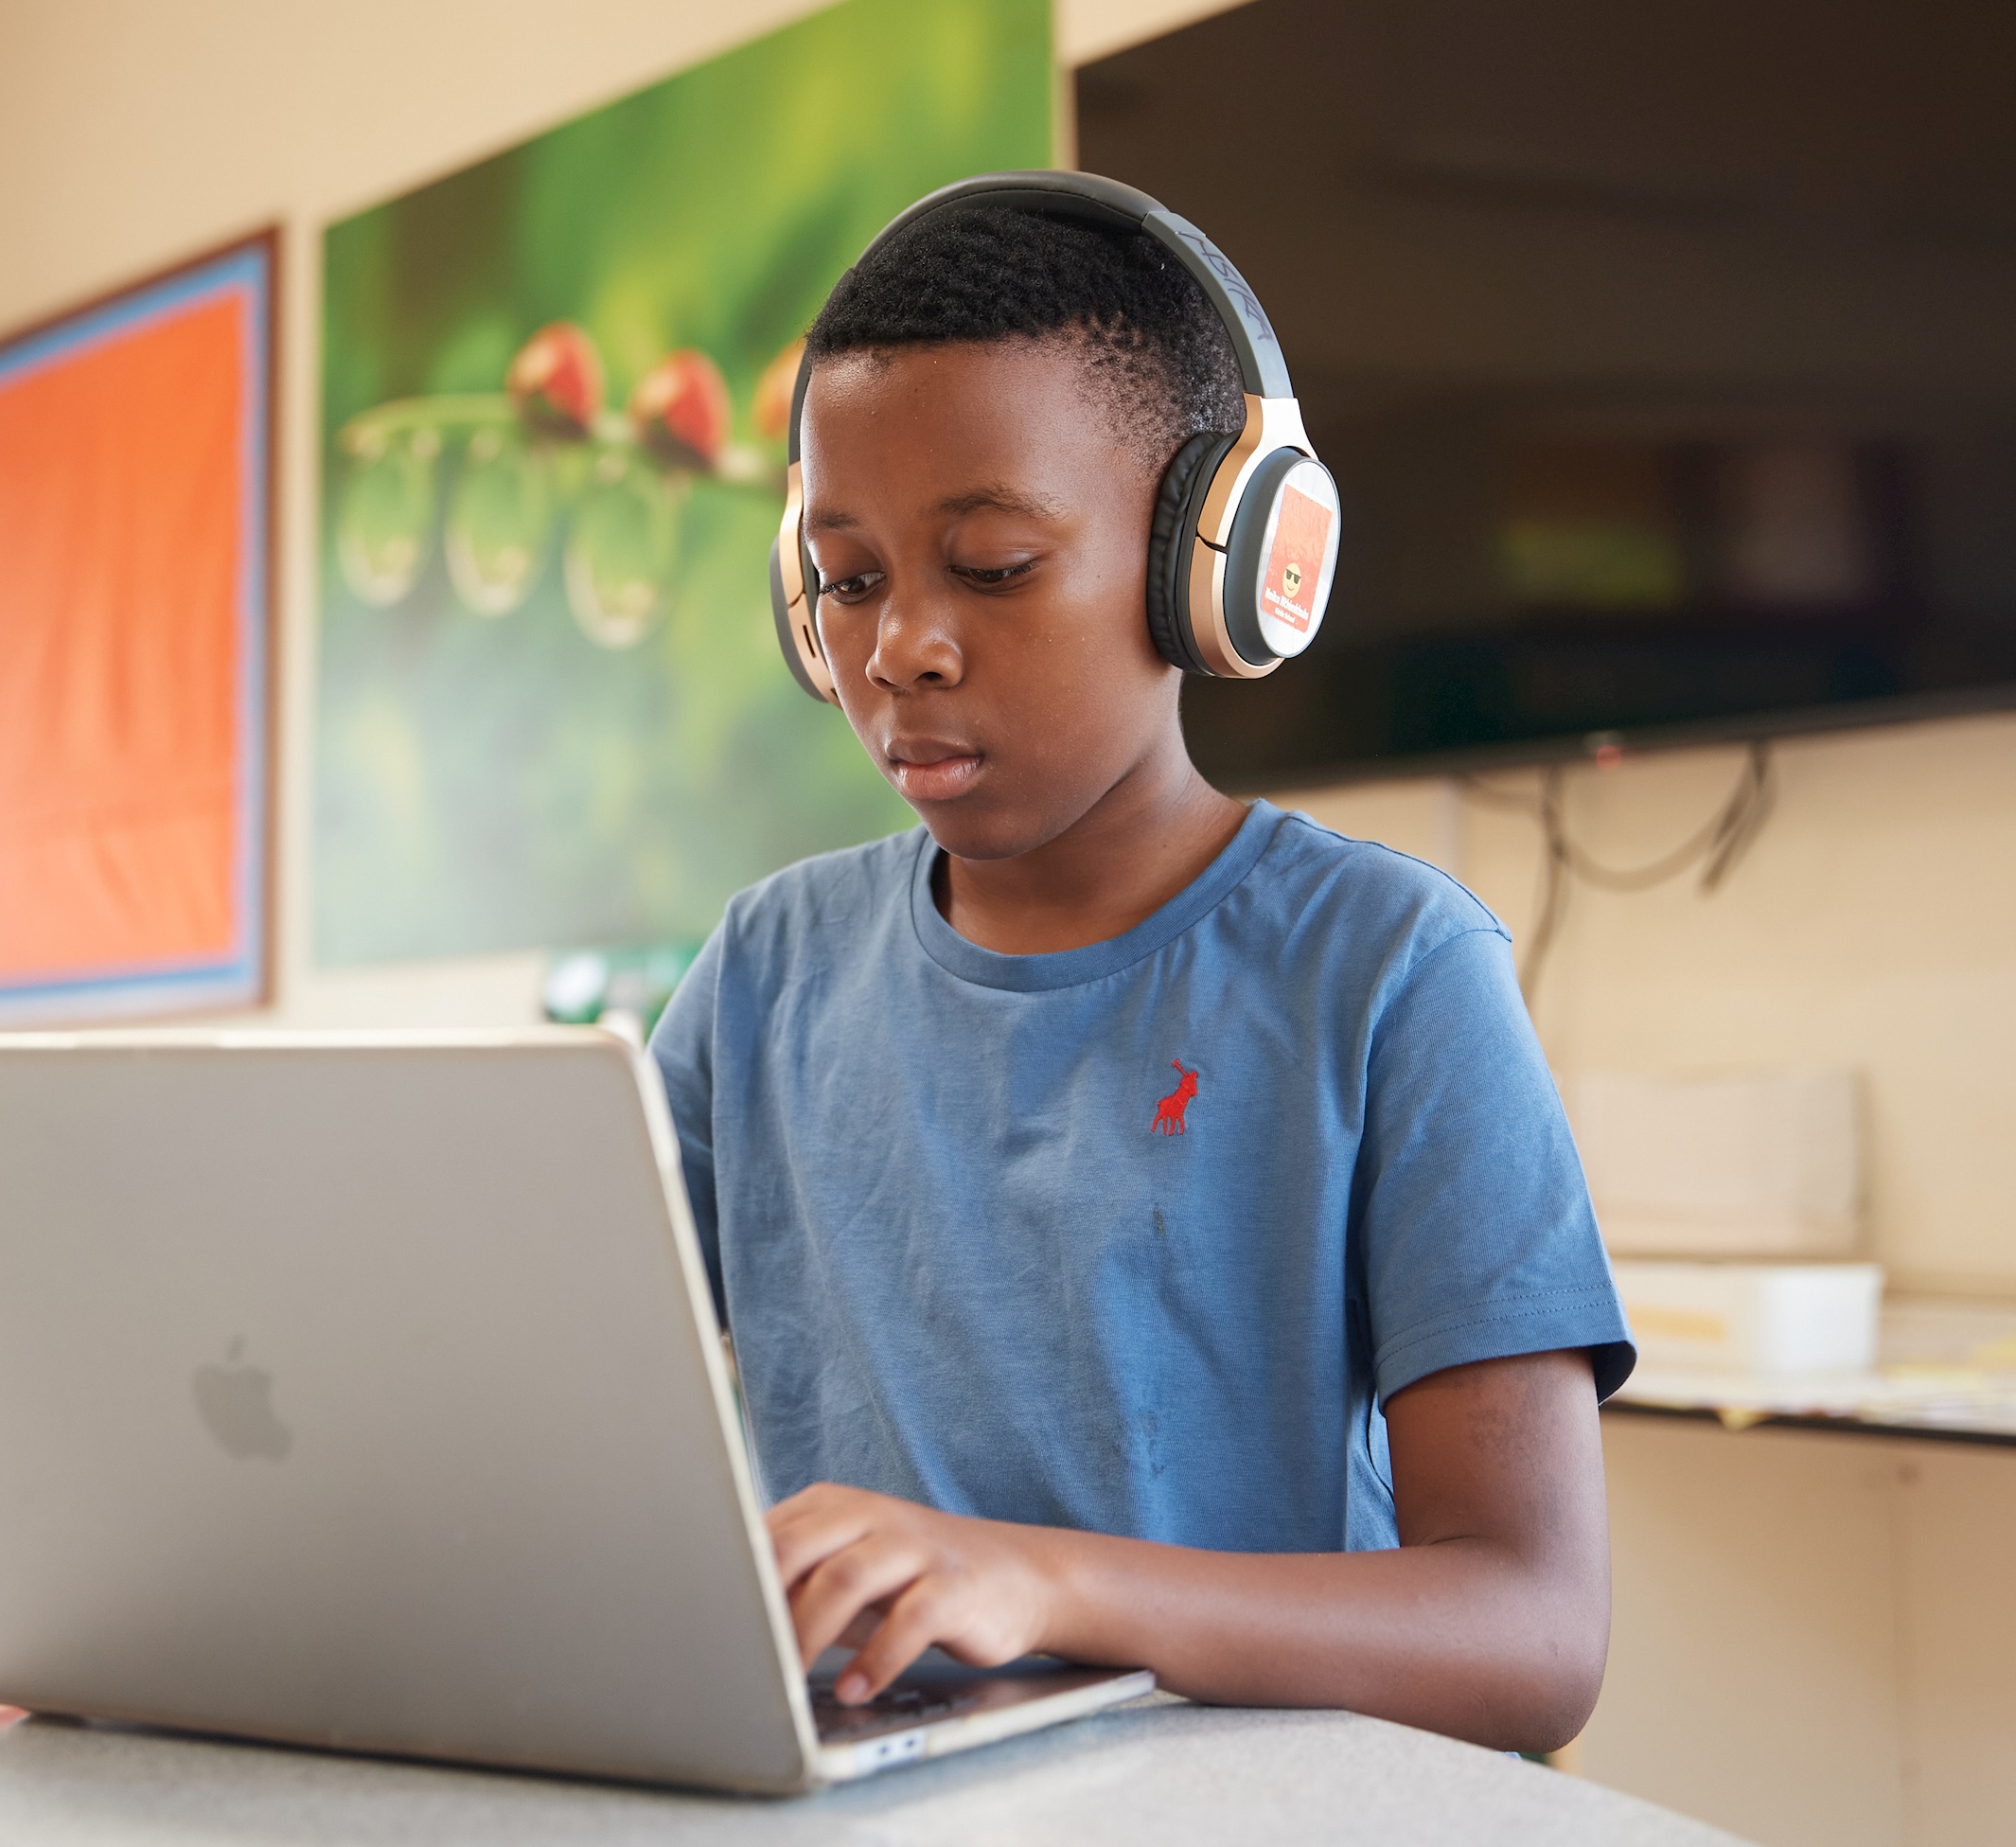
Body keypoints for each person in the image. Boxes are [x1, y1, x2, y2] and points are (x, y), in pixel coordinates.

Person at [647, 188, 1633, 1756]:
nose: (902, 644)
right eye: (847, 579)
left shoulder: (1387, 968)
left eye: (992, 563)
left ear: (1215, 568)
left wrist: (1045, 1585)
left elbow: (1532, 1632)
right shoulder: (766, 968)